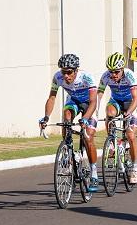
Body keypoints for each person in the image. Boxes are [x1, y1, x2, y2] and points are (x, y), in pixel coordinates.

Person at [39, 54, 99, 192]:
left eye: (69, 72)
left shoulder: (86, 78)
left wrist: (85, 119)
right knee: (66, 118)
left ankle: (94, 173)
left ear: (76, 70)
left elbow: (94, 102)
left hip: (89, 104)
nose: (66, 76)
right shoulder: (57, 77)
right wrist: (46, 117)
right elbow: (52, 98)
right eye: (63, 72)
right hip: (73, 100)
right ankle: (68, 149)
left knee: (88, 137)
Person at [97, 52, 137, 183]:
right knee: (109, 113)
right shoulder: (105, 76)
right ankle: (112, 141)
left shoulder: (130, 76)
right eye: (111, 72)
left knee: (131, 136)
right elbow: (98, 94)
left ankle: (134, 167)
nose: (113, 75)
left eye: (116, 72)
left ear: (122, 69)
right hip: (115, 101)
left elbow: (136, 98)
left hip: (130, 103)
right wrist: (95, 111)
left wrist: (129, 112)